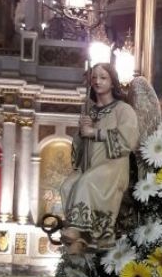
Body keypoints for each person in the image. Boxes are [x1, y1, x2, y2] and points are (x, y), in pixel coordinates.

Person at [59, 63, 139, 253]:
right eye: (94, 77)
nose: (97, 81)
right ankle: (83, 238)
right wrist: (81, 133)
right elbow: (79, 150)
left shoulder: (123, 109)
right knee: (67, 186)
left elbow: (129, 140)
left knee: (87, 182)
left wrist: (94, 132)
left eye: (103, 77)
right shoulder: (90, 111)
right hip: (91, 165)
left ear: (112, 82)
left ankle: (81, 230)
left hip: (113, 165)